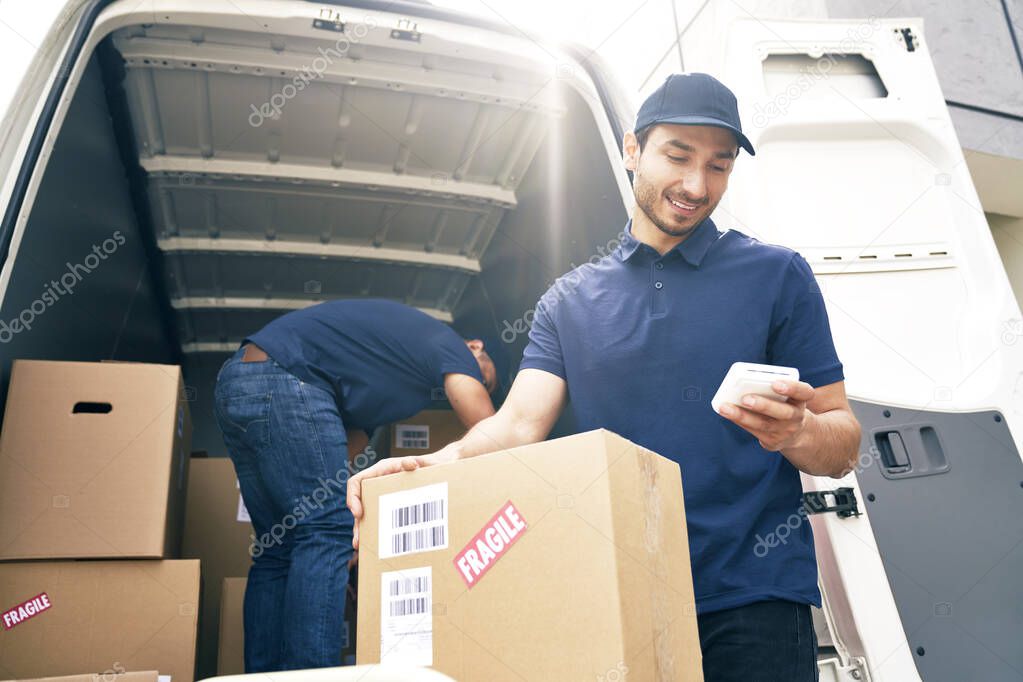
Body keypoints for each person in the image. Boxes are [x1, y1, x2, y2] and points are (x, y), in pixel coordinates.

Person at [348, 74, 861, 682]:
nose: (697, 186)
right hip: (618, 594)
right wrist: (432, 464)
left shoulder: (778, 276)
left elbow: (843, 444)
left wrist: (797, 431)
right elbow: (515, 426)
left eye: (718, 167)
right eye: (678, 156)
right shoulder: (568, 301)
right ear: (631, 149)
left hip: (753, 596)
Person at [214, 298, 499, 672]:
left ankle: (262, 678)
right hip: (286, 377)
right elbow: (491, 434)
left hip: (237, 382)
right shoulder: (449, 344)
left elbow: (338, 457)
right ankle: (311, 678)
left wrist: (353, 542)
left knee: (278, 548)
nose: (480, 384)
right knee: (325, 530)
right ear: (476, 348)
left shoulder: (397, 386)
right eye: (485, 377)